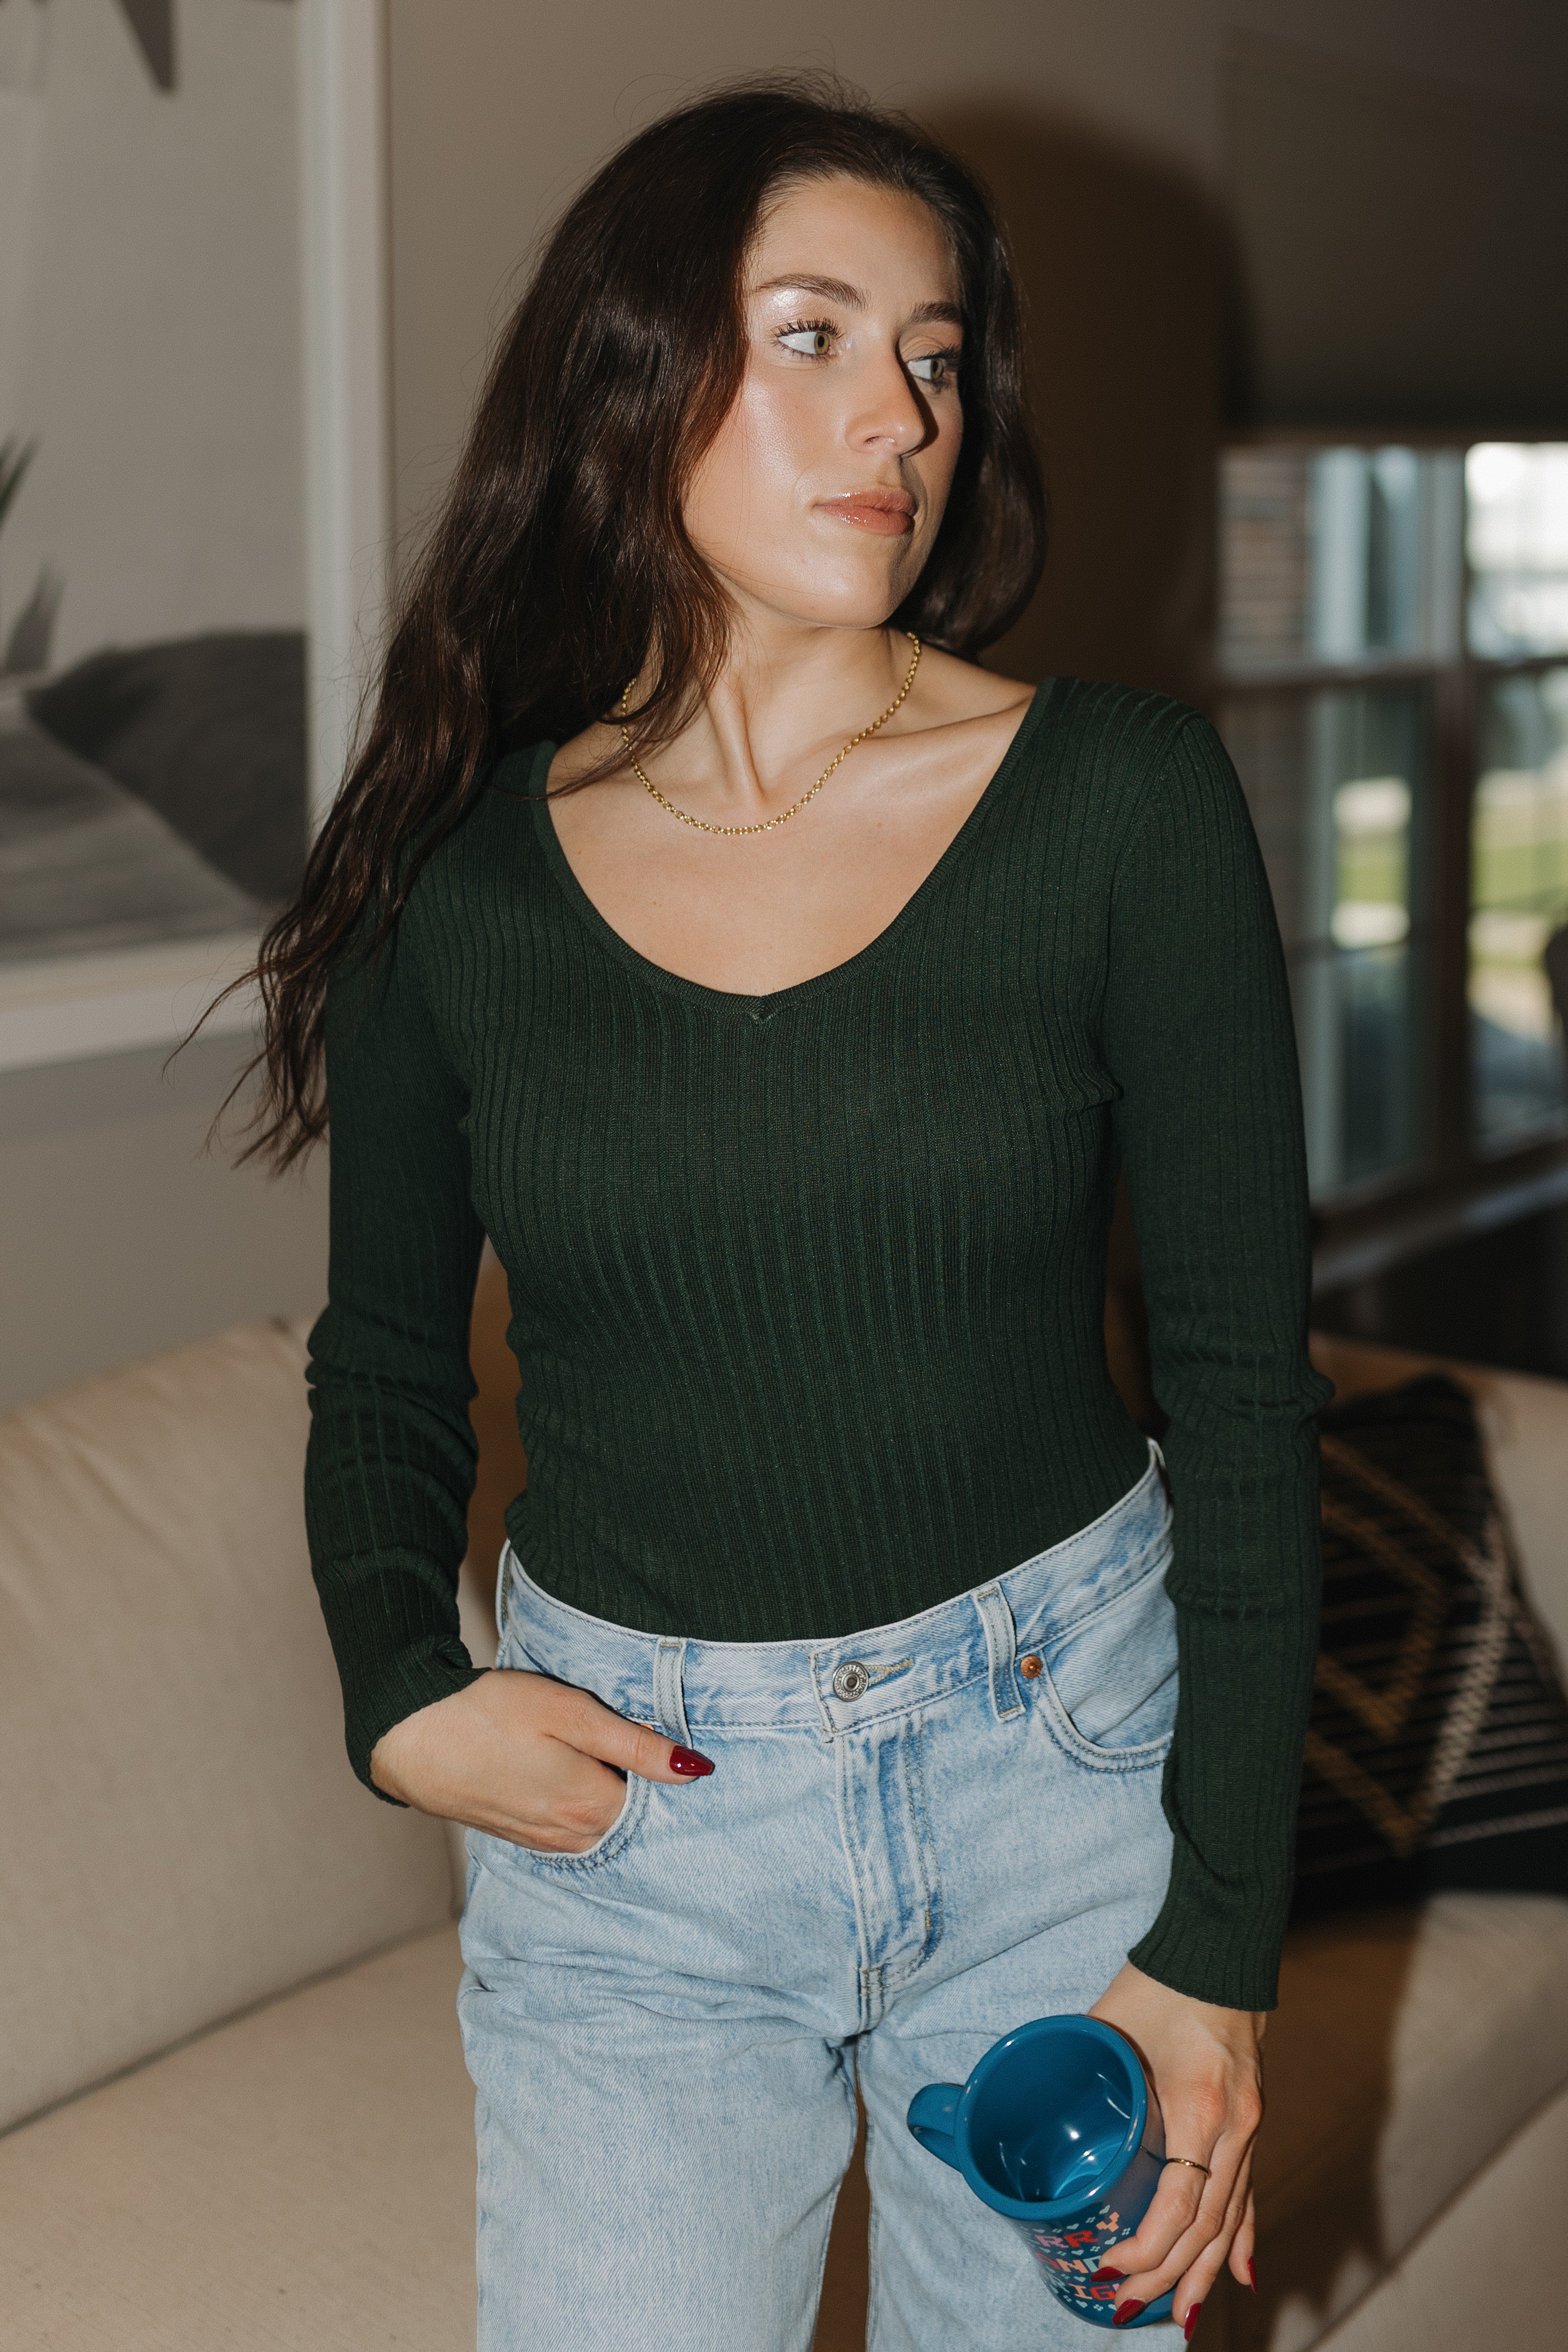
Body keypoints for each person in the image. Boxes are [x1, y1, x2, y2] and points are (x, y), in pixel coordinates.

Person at [245, 79, 1328, 2352]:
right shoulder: (461, 886)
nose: (900, 419)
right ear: (628, 376)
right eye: (812, 336)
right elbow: (384, 1364)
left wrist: (1218, 1940)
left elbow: (1244, 1388)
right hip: (639, 1836)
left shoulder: (1115, 804)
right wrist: (396, 1684)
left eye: (933, 358)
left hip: (1061, 1775)